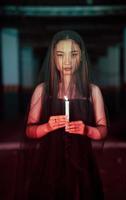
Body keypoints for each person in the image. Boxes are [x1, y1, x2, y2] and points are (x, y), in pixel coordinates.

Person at [25, 30, 107, 200]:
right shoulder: (42, 91)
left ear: (82, 56)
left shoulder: (93, 91)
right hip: (49, 162)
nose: (68, 61)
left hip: (82, 161)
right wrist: (47, 127)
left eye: (74, 54)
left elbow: (103, 130)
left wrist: (87, 130)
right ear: (53, 58)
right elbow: (29, 130)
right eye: (61, 55)